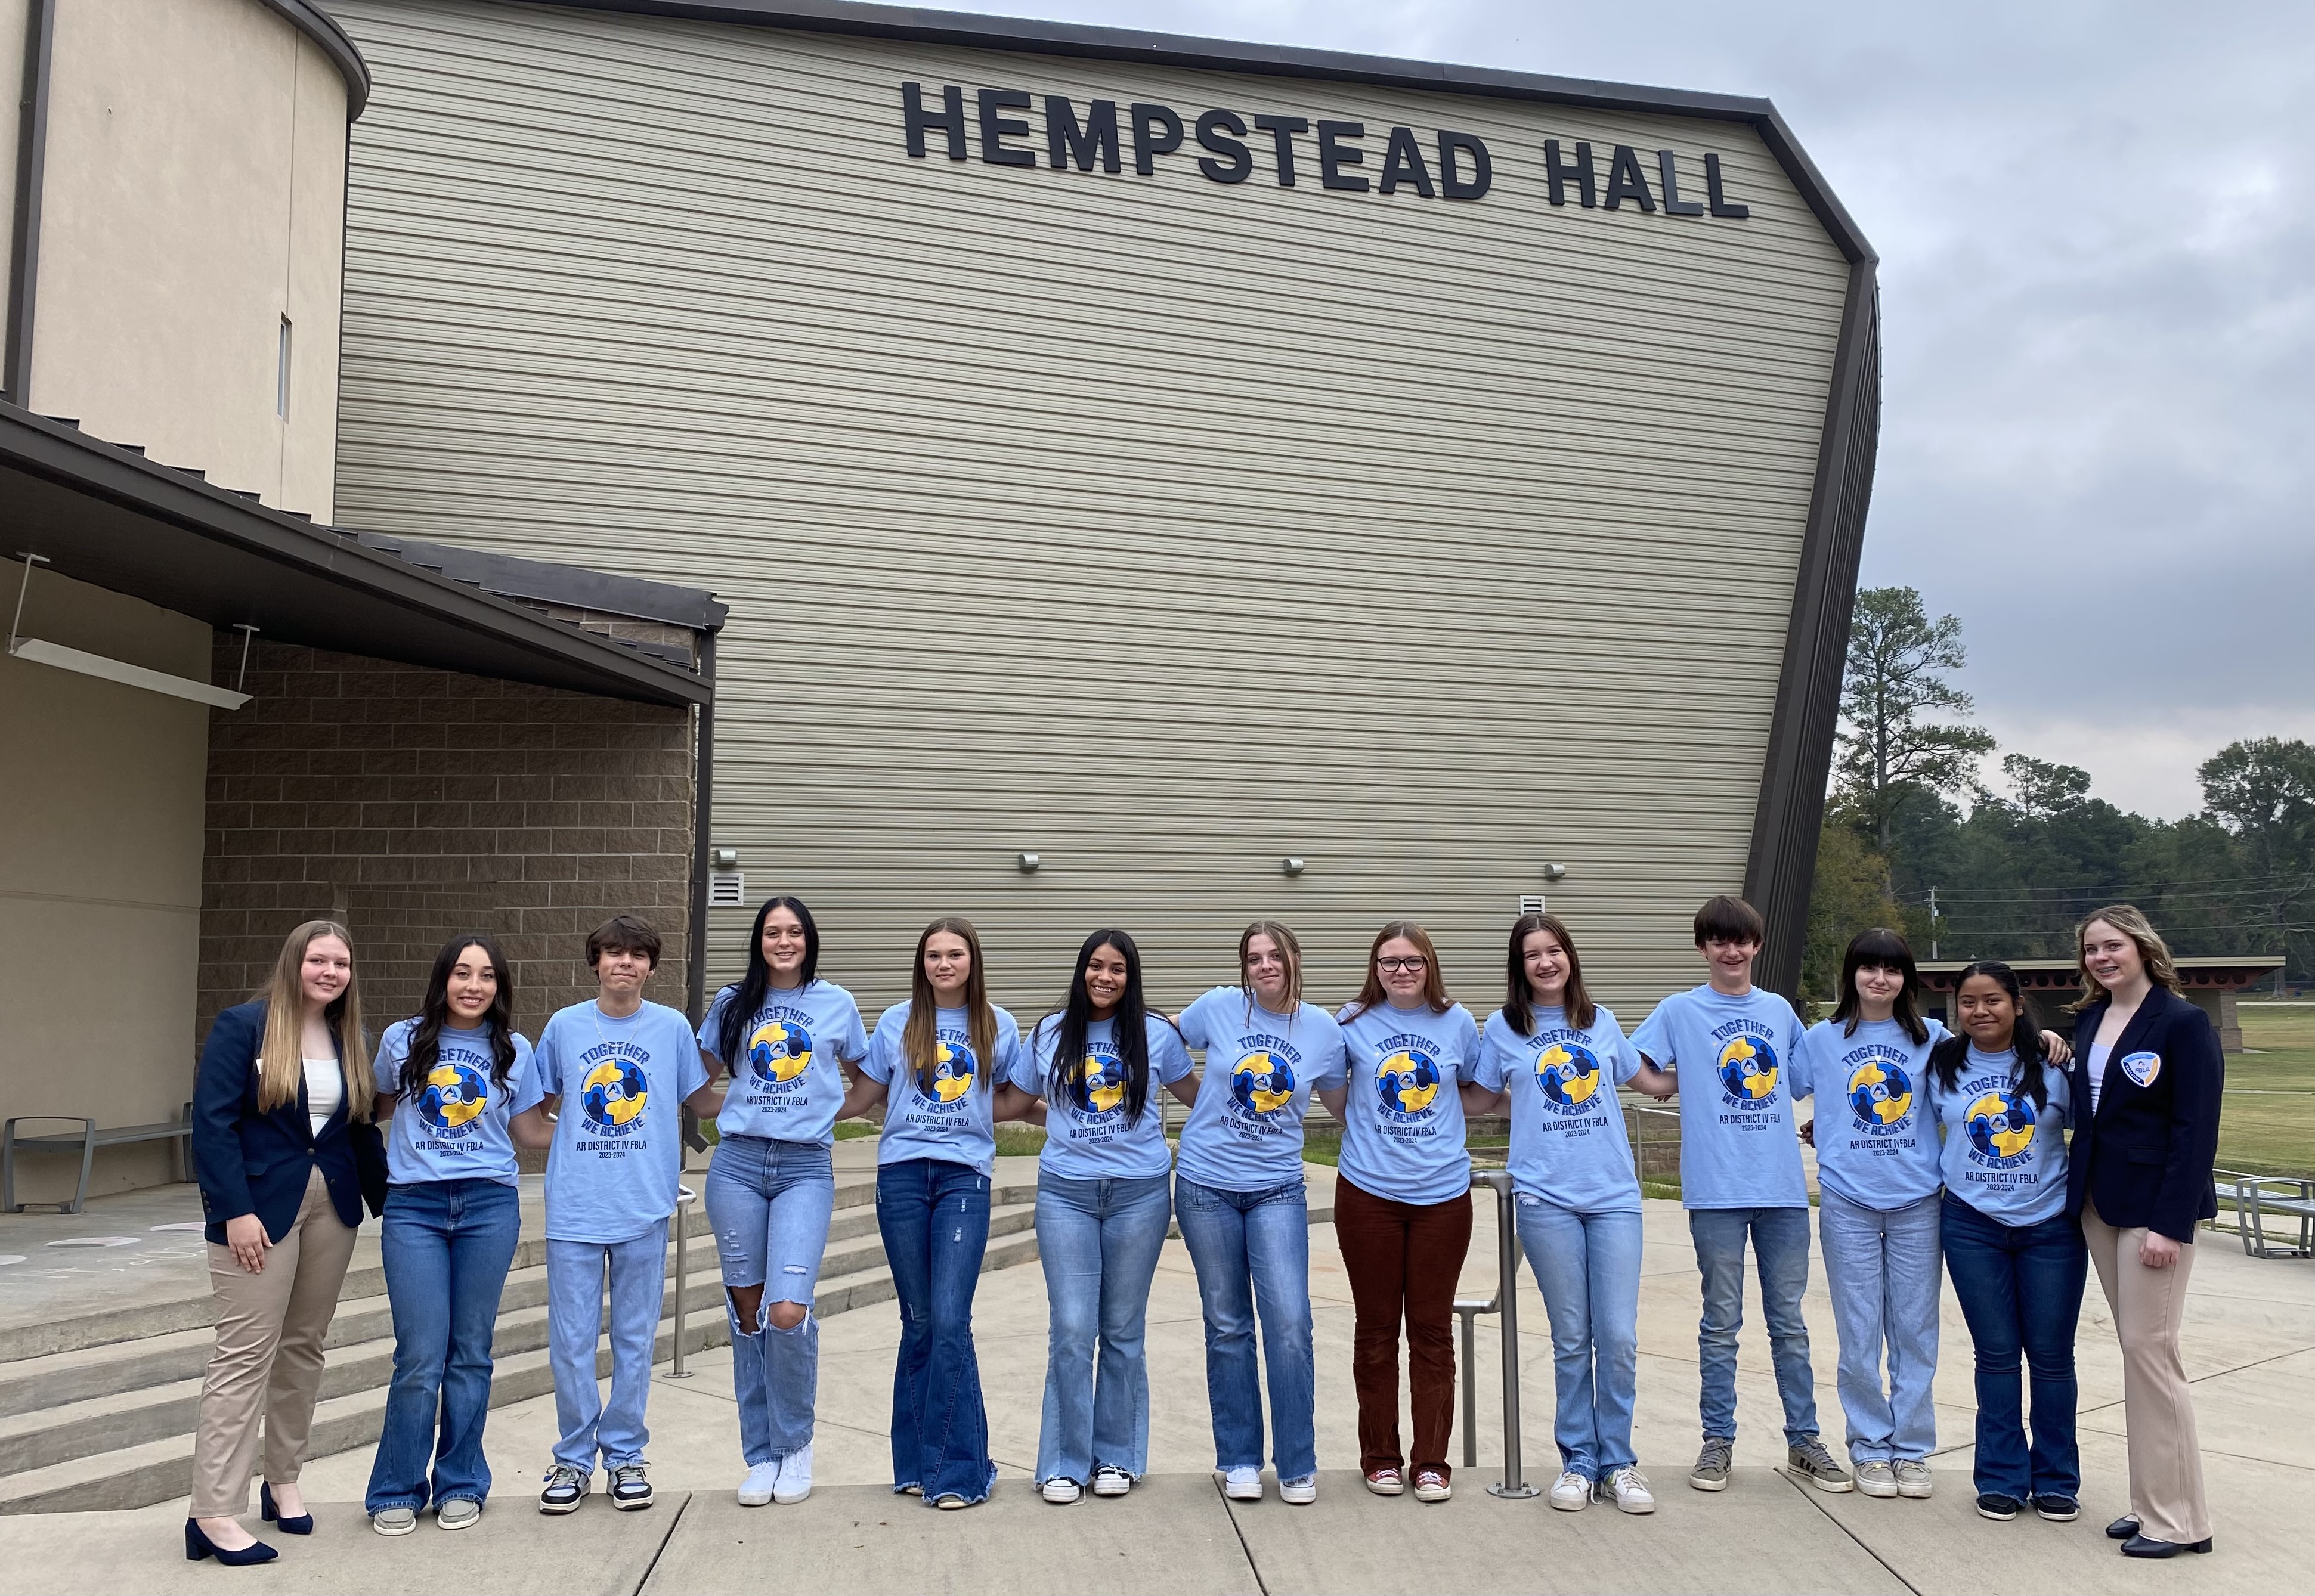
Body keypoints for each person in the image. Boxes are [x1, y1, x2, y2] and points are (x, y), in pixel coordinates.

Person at [1793, 929, 2075, 1507]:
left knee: (1917, 1331)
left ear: (1908, 980)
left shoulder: (1936, 1039)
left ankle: (1911, 1448)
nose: (1880, 979)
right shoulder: (1819, 1039)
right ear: (1850, 975)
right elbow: (1779, 1087)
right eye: (1868, 968)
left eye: (1892, 970)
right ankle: (1871, 1446)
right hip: (1848, 1201)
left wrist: (2047, 1037)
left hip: (1920, 1201)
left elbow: (2000, 1051)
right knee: (1859, 1331)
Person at [1632, 895, 1850, 1495]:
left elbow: (1807, 1078)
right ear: (1703, 947)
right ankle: (1717, 1440)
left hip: (1780, 1189)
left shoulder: (1778, 1011)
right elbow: (1638, 1068)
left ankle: (1805, 1441)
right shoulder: (1680, 1010)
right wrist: (1682, 1085)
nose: (1732, 951)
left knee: (1789, 1323)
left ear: (1757, 946)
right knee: (1721, 1322)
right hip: (1716, 1189)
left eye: (1743, 941)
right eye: (1719, 941)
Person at [186, 920, 386, 1566]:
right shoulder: (243, 1026)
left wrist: (393, 1202)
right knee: (245, 1353)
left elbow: (357, 1129)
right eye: (318, 960)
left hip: (333, 1205)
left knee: (305, 1346)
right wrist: (233, 1211)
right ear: (294, 962)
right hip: (259, 1209)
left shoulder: (347, 1036)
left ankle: (284, 1480)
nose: (330, 972)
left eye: (341, 963)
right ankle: (214, 1512)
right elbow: (213, 1125)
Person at [512, 914, 718, 1515]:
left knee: (634, 1340)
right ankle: (574, 1459)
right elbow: (538, 1112)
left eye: (636, 955)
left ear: (651, 966)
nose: (624, 964)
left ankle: (625, 1452)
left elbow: (698, 1100)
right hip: (576, 1207)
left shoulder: (672, 1028)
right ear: (595, 963)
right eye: (612, 954)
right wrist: (579, 1134)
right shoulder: (565, 1027)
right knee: (572, 1343)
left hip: (644, 1207)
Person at [1469, 912, 1670, 1515]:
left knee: (1617, 1336)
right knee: (1570, 1338)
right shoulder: (1503, 1029)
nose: (1546, 962)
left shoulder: (1601, 1021)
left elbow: (1653, 1084)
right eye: (1532, 954)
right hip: (1545, 1200)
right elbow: (1480, 1097)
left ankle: (1619, 1463)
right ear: (1519, 966)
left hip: (1612, 1199)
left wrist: (1709, 1062)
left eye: (1554, 950)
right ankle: (1578, 1462)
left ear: (1570, 957)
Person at [842, 916, 1036, 1508]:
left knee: (952, 1317)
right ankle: (916, 1464)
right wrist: (791, 1101)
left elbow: (1014, 1097)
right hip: (901, 1175)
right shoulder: (897, 1021)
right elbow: (865, 1097)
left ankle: (957, 1473)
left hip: (964, 1178)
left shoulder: (997, 1024)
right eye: (934, 955)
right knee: (920, 1320)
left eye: (955, 954)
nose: (945, 964)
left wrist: (1056, 1118)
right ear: (921, 963)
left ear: (972, 960)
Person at [1011, 930, 1197, 1505]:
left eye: (1117, 968)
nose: (1105, 977)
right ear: (1082, 970)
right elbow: (1015, 1101)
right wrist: (925, 1107)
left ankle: (1116, 1456)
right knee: (1071, 1328)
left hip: (1138, 1194)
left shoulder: (1155, 1033)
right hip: (1065, 1193)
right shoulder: (1047, 1032)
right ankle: (1064, 1461)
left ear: (1130, 975)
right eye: (1096, 965)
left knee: (1121, 1329)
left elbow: (1199, 1094)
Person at [366, 934, 542, 1535]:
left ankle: (461, 1480)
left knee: (471, 1353)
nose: (474, 985)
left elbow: (531, 1132)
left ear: (500, 986)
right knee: (419, 1355)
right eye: (463, 973)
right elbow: (375, 1109)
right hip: (415, 1207)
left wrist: (614, 1128)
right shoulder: (404, 1039)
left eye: (487, 975)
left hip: (489, 1206)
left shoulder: (515, 1049)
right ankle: (396, 1486)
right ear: (443, 978)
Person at [698, 896, 868, 1509]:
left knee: (788, 1309)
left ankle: (795, 1444)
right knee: (748, 1313)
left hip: (803, 1167)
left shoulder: (835, 1003)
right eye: (773, 931)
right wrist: (727, 1109)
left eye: (794, 931)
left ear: (809, 939)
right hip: (738, 1163)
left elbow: (867, 1076)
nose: (784, 940)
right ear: (759, 940)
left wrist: (832, 1112)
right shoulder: (732, 1002)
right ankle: (762, 1455)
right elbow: (698, 1077)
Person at [1174, 921, 1348, 1507]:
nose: (1266, 965)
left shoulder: (1324, 1030)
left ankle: (1297, 1462)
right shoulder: (1219, 1007)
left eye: (1276, 955)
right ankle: (1239, 1459)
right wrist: (1202, 1104)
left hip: (1277, 1189)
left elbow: (1345, 1102)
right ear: (1243, 966)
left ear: (1297, 958)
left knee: (1291, 1324)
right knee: (1227, 1326)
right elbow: (1167, 1045)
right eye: (1254, 958)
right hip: (1205, 1186)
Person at [2066, 906, 2222, 1558]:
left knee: (2152, 1353)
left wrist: (2170, 1222)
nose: (2102, 957)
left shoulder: (2183, 1022)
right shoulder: (2091, 1021)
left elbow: (2196, 1130)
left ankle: (2181, 1522)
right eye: (2091, 949)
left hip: (2154, 1214)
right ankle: (2151, 1501)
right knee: (2140, 1355)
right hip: (2100, 1205)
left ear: (2143, 947)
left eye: (2113, 945)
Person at [1332, 919, 1490, 1502]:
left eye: (1413, 961)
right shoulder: (1349, 1022)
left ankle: (1431, 1461)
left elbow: (1476, 1093)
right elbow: (1335, 1095)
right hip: (1368, 1194)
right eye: (1390, 961)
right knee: (1375, 1331)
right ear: (1375, 969)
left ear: (1431, 966)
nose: (1401, 970)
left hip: (1442, 1199)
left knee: (1431, 1330)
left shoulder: (1457, 1023)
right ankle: (1380, 1458)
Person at [1927, 960, 2086, 1526]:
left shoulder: (2053, 1062)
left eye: (1992, 999)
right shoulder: (1940, 1064)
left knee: (2050, 1357)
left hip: (2050, 1227)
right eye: (1968, 1001)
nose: (1980, 1011)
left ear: (2017, 1004)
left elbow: (2095, 1132)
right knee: (1995, 1356)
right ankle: (2000, 1477)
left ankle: (2056, 1480)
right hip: (1972, 1225)